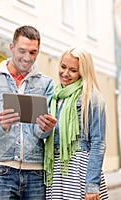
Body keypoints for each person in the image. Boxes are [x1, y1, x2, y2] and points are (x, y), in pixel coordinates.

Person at [0, 25, 57, 199]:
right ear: (11, 48)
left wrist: (46, 127)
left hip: (35, 171)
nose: (27, 58)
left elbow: (43, 134)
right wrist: (0, 124)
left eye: (33, 52)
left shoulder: (46, 84)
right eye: (22, 51)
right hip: (0, 170)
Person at [44, 47, 109, 200]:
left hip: (79, 170)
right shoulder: (54, 96)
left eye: (73, 70)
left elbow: (98, 143)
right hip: (57, 169)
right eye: (63, 67)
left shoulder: (91, 97)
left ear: (83, 72)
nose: (65, 73)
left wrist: (92, 185)